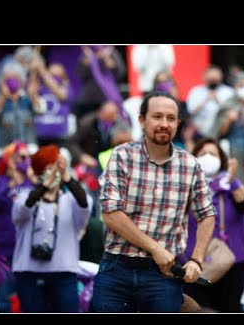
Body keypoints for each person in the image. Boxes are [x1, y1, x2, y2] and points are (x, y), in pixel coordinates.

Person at [92, 91, 216, 313]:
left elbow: (207, 215)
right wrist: (155, 248)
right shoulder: (122, 156)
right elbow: (111, 213)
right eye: (157, 116)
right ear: (141, 120)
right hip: (117, 268)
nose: (164, 124)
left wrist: (196, 260)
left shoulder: (191, 165)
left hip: (164, 276)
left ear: (178, 123)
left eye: (171, 118)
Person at [11, 145, 93, 312]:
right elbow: (23, 209)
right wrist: (44, 186)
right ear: (39, 172)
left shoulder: (70, 201)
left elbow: (84, 203)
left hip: (63, 274)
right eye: (48, 169)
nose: (54, 173)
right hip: (29, 274)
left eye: (56, 168)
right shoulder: (24, 197)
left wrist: (67, 177)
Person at [183, 138, 244, 313]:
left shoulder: (229, 186)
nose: (208, 157)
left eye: (212, 154)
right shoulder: (186, 186)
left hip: (231, 261)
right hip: (193, 263)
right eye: (203, 154)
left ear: (221, 160)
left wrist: (231, 181)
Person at [0, 141, 35, 312]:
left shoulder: (31, 182)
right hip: (4, 250)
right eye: (20, 156)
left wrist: (31, 177)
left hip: (28, 251)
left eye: (26, 157)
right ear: (9, 158)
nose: (23, 160)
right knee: (4, 300)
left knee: (28, 300)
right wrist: (10, 183)